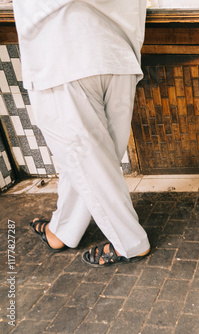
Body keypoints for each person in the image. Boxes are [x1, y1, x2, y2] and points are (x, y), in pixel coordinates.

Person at [13, 0, 151, 267]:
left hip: (63, 50)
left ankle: (131, 242)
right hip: (117, 51)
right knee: (91, 162)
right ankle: (62, 230)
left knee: (87, 161)